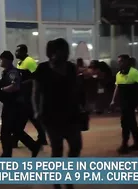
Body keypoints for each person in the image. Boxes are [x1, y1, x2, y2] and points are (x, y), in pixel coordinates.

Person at [32, 39, 82, 189]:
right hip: (50, 114)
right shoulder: (42, 69)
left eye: (64, 51)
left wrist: (81, 106)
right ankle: (57, 182)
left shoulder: (71, 68)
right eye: (59, 51)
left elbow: (76, 89)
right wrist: (36, 110)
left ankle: (69, 178)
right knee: (57, 148)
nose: (62, 54)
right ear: (51, 53)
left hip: (71, 112)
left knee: (76, 146)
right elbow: (36, 92)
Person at [0, 50, 40, 157]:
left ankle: (7, 154)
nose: (0, 61)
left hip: (13, 105)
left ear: (7, 60)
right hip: (11, 104)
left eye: (1, 59)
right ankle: (33, 146)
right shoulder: (7, 72)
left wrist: (1, 89)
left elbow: (15, 86)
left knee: (6, 132)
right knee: (16, 130)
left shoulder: (12, 73)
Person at [13, 44, 47, 147]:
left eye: (18, 51)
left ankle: (15, 140)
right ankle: (42, 138)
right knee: (30, 118)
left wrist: (23, 84)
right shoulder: (20, 63)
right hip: (23, 95)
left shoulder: (29, 61)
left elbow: (36, 77)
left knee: (22, 119)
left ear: (24, 52)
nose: (16, 53)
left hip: (29, 95)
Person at [110, 54, 138, 154]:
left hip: (131, 101)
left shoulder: (134, 72)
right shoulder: (119, 74)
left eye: (121, 61)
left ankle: (125, 145)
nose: (119, 63)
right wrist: (113, 100)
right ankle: (137, 144)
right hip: (123, 101)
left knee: (125, 123)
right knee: (132, 122)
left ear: (127, 62)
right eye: (119, 61)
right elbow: (117, 87)